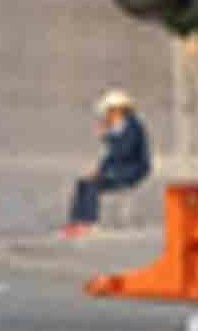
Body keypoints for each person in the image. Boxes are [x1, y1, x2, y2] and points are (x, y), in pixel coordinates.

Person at [64, 89, 151, 233]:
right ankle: (76, 220)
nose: (106, 116)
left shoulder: (133, 126)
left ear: (118, 110)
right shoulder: (119, 126)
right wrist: (99, 169)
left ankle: (89, 222)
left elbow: (123, 151)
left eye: (108, 112)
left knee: (93, 184)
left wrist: (107, 136)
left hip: (133, 170)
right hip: (119, 168)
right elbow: (110, 156)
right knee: (83, 182)